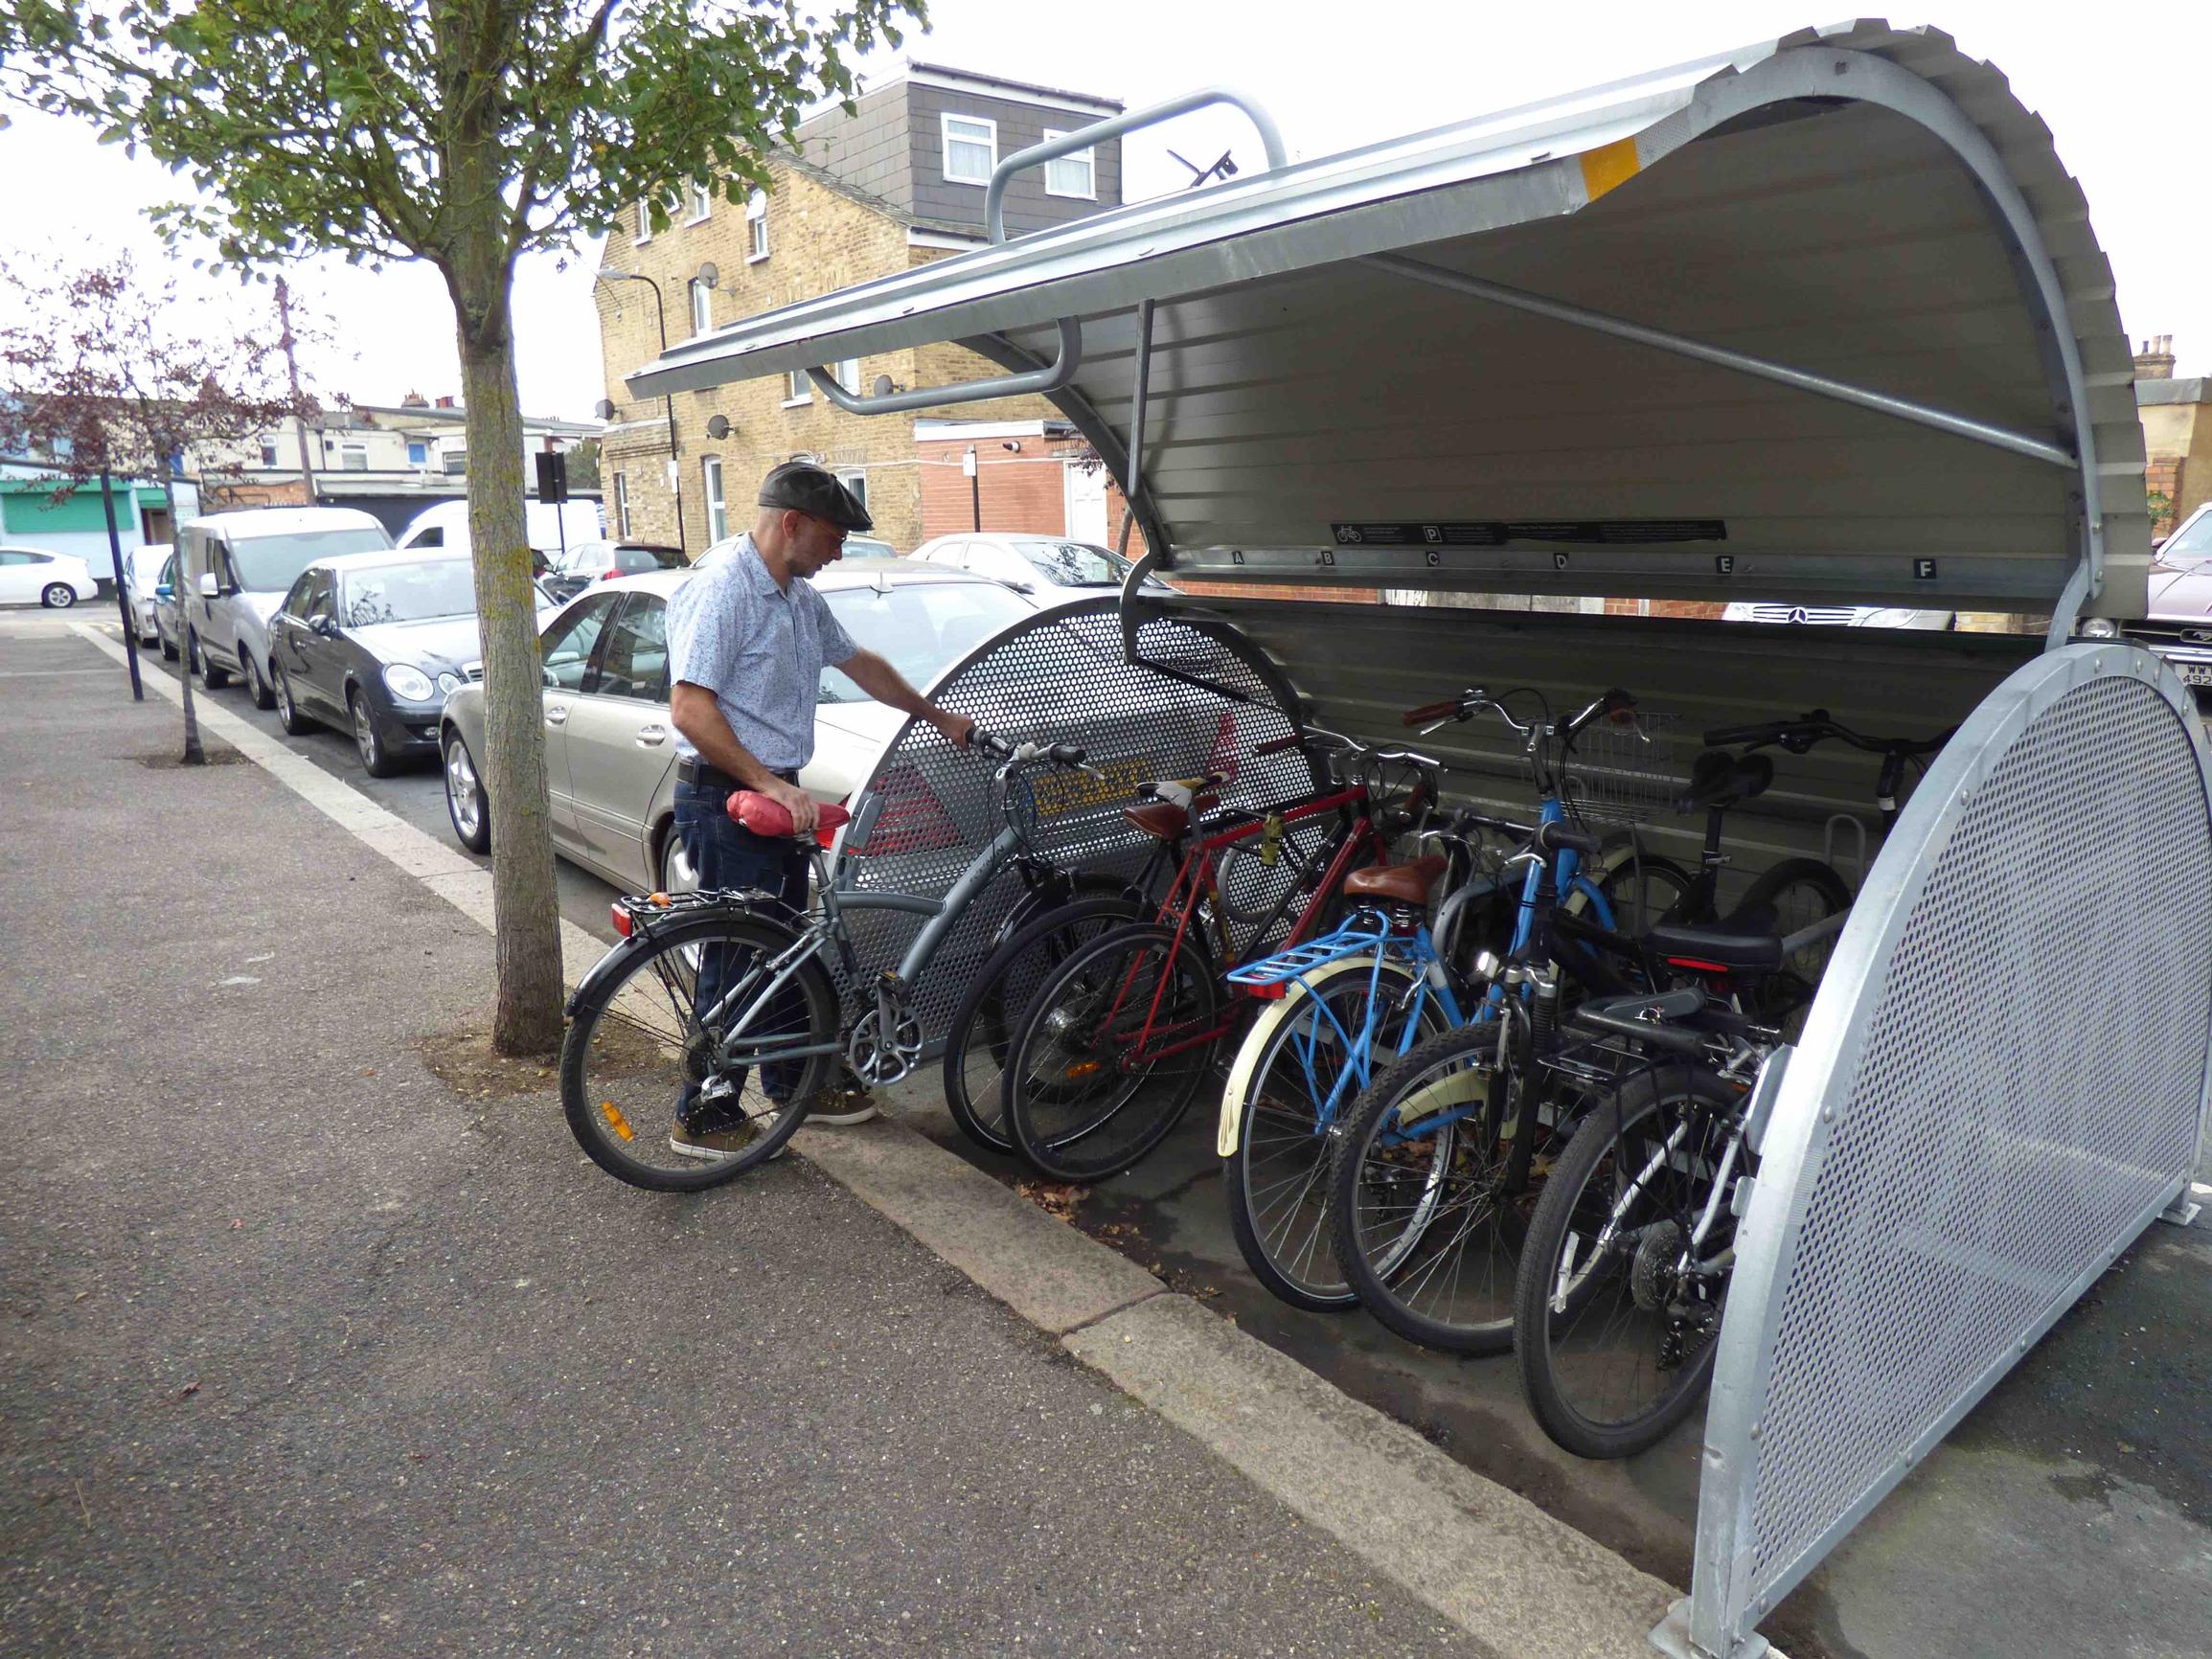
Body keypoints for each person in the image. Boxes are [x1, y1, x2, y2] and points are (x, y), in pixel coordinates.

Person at [663, 462, 974, 1161]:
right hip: (726, 797)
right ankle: (702, 1113)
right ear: (792, 524)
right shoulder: (724, 590)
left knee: (782, 951)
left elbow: (857, 661)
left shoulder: (797, 597)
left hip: (772, 795)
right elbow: (689, 708)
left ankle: (792, 1085)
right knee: (738, 959)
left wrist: (936, 715)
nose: (838, 553)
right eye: (833, 537)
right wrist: (767, 783)